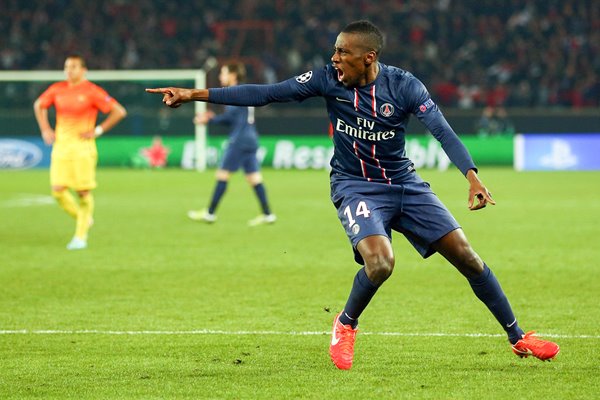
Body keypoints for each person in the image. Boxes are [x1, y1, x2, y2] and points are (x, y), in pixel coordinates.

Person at [147, 20, 559, 369]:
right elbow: (268, 93)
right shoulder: (327, 80)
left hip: (405, 184)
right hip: (354, 184)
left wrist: (471, 176)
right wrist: (193, 94)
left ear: (368, 58)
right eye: (334, 51)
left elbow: (443, 131)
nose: (334, 59)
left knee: (468, 256)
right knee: (381, 263)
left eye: (342, 52)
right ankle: (345, 324)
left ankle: (518, 336)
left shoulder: (404, 86)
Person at [34, 54, 127, 250]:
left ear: (83, 70)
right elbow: (39, 105)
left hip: (82, 149)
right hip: (61, 148)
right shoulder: (57, 89)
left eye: (74, 66)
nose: (69, 70)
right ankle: (84, 219)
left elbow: (119, 111)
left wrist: (98, 130)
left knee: (82, 192)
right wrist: (45, 128)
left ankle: (80, 236)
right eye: (67, 66)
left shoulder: (92, 91)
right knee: (58, 192)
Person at [187, 62, 276, 226]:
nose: (221, 77)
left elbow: (230, 118)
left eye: (223, 73)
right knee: (254, 178)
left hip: (240, 139)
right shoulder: (244, 91)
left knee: (222, 175)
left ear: (233, 75)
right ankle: (268, 214)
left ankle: (210, 213)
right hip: (250, 138)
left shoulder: (235, 92)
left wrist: (209, 119)